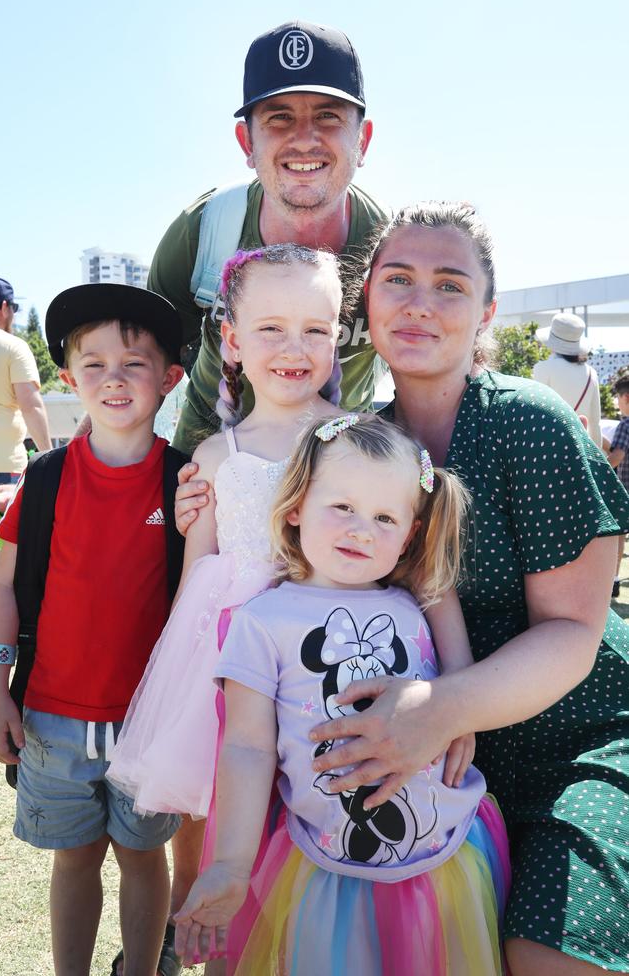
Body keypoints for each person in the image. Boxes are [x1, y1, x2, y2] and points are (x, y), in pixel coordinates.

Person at [295, 203, 628, 975]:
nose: (419, 301)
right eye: (398, 280)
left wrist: (437, 711)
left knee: (546, 953)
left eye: (450, 285)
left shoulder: (527, 422)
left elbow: (574, 631)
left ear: (487, 312)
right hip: (440, 769)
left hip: (579, 743)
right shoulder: (356, 443)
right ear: (365, 300)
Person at [173, 413, 511, 975]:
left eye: (385, 517)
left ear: (410, 535)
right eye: (343, 507)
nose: (362, 530)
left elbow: (456, 688)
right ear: (297, 505)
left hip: (448, 857)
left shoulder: (414, 608)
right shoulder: (261, 621)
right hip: (325, 870)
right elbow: (247, 748)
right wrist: (231, 864)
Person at [0, 283, 187, 976]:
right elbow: (3, 589)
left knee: (142, 857)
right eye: (93, 363)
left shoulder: (186, 485)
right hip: (51, 720)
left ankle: (140, 969)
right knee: (75, 860)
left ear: (170, 378)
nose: (114, 378)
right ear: (68, 379)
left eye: (134, 362)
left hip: (149, 724)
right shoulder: (42, 481)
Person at [107, 243, 348, 822]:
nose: (295, 349)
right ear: (233, 341)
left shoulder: (360, 440)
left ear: (337, 336)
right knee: (240, 818)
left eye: (315, 329)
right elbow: (196, 580)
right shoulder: (217, 456)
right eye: (271, 328)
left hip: (334, 651)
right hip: (237, 666)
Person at [148, 20, 386, 456]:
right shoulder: (203, 230)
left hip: (334, 488)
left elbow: (429, 376)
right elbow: (142, 364)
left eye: (328, 116)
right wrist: (67, 475)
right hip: (205, 480)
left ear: (363, 141)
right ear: (247, 142)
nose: (304, 139)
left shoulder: (390, 251)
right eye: (279, 118)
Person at [0, 275, 52, 597]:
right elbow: (31, 405)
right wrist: (49, 455)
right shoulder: (12, 347)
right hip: (1, 466)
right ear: (5, 308)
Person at [532, 311, 603, 447]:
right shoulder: (591, 373)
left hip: (549, 447)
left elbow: (535, 417)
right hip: (580, 449)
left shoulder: (542, 368)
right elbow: (595, 423)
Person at [607, 368, 629, 597]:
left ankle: (613, 580)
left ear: (626, 398)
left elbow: (617, 457)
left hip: (626, 490)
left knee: (619, 537)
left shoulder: (625, 425)